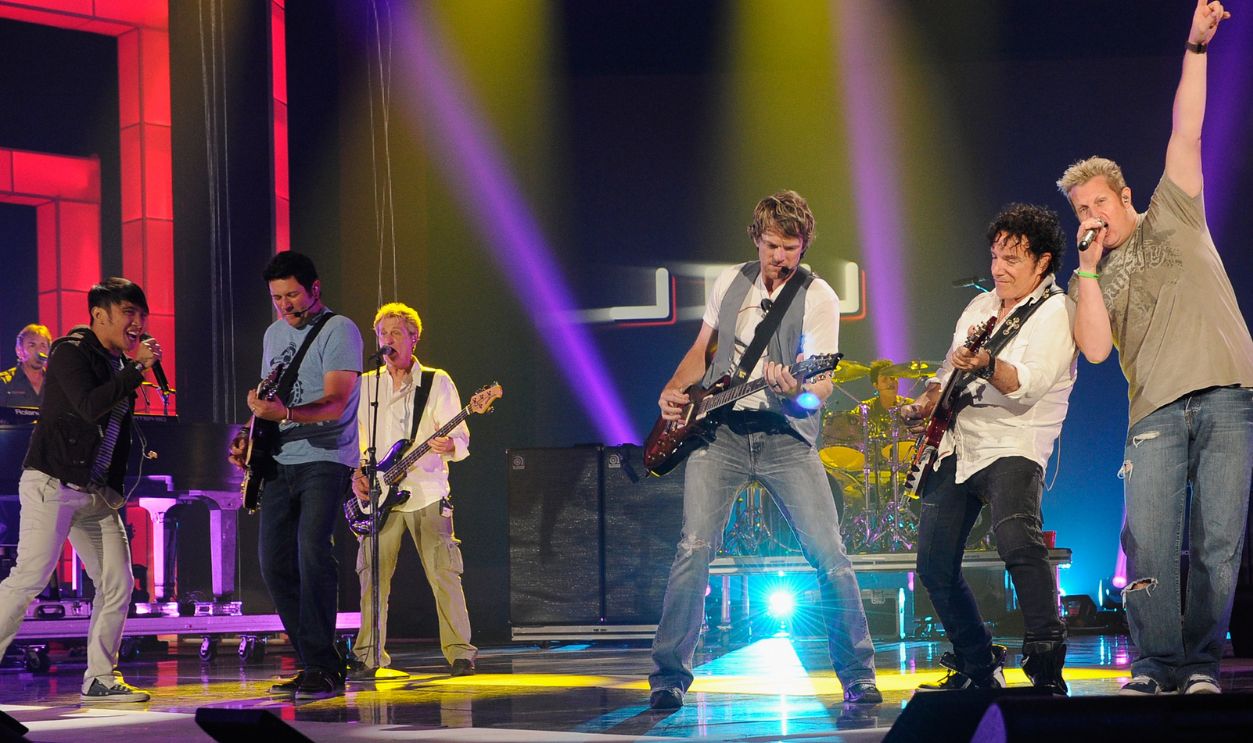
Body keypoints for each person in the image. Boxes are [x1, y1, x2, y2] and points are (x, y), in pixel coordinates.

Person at [1057, 0, 1253, 696]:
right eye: (1078, 211)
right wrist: (1081, 271)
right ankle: (1152, 663)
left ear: (1124, 195)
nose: (1090, 218)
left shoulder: (1173, 209)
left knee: (1218, 547)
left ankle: (1200, 664)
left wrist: (1195, 49)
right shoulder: (1092, 275)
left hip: (1230, 396)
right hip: (1154, 415)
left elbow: (1186, 128)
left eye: (1097, 204)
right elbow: (1095, 351)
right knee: (1145, 544)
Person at [648, 190, 880, 709]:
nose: (781, 257)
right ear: (757, 239)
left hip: (785, 437)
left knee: (830, 554)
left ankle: (858, 674)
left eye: (791, 248)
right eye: (773, 245)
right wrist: (675, 392)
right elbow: (703, 352)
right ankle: (668, 677)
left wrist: (791, 388)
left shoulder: (818, 296)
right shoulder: (730, 281)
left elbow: (819, 388)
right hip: (721, 433)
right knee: (693, 548)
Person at [903, 203, 1075, 695]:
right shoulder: (979, 308)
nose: (998, 268)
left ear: (1042, 263)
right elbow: (944, 376)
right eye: (995, 256)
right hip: (958, 443)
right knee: (933, 566)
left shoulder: (1055, 312)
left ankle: (1046, 665)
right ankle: (979, 662)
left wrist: (984, 364)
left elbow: (1026, 385)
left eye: (1012, 259)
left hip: (1014, 442)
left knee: (1017, 541)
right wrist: (924, 405)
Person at [0, 279, 161, 703]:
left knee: (118, 582)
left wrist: (113, 485)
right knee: (29, 579)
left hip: (94, 492)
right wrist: (137, 370)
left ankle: (100, 678)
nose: (138, 323)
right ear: (99, 315)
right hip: (53, 482)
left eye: (142, 315)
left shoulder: (115, 363)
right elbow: (89, 406)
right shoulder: (70, 350)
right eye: (129, 313)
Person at [228, 251, 363, 699]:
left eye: (291, 295)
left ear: (315, 288)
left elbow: (336, 402)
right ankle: (312, 662)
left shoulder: (339, 329)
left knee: (312, 553)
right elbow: (269, 398)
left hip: (325, 458)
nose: (284, 305)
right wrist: (250, 440)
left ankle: (323, 665)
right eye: (276, 297)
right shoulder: (272, 334)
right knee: (273, 562)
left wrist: (284, 411)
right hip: (279, 462)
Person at [346, 302, 477, 679]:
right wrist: (356, 474)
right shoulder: (367, 384)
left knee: (444, 574)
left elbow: (461, 435)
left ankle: (460, 653)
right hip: (378, 495)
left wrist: (449, 446)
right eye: (382, 334)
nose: (388, 341)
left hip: (427, 492)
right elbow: (354, 437)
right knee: (372, 578)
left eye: (396, 334)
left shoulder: (437, 381)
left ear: (414, 338)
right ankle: (369, 654)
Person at [0, 324, 53, 407]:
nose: (39, 351)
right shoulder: (3, 382)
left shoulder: (55, 383)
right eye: (32, 345)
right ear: (19, 350)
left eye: (43, 345)